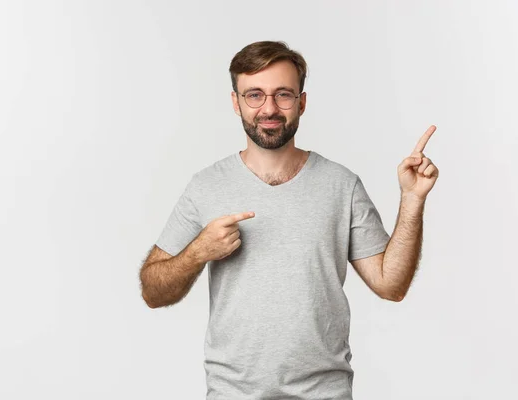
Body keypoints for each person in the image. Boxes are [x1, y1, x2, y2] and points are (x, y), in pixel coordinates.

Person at [139, 40, 439, 399]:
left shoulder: (341, 185)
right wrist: (197, 252)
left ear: (302, 102)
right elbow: (153, 291)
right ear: (236, 103)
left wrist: (412, 199)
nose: (269, 108)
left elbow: (391, 285)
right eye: (254, 95)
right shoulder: (206, 186)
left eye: (283, 94)